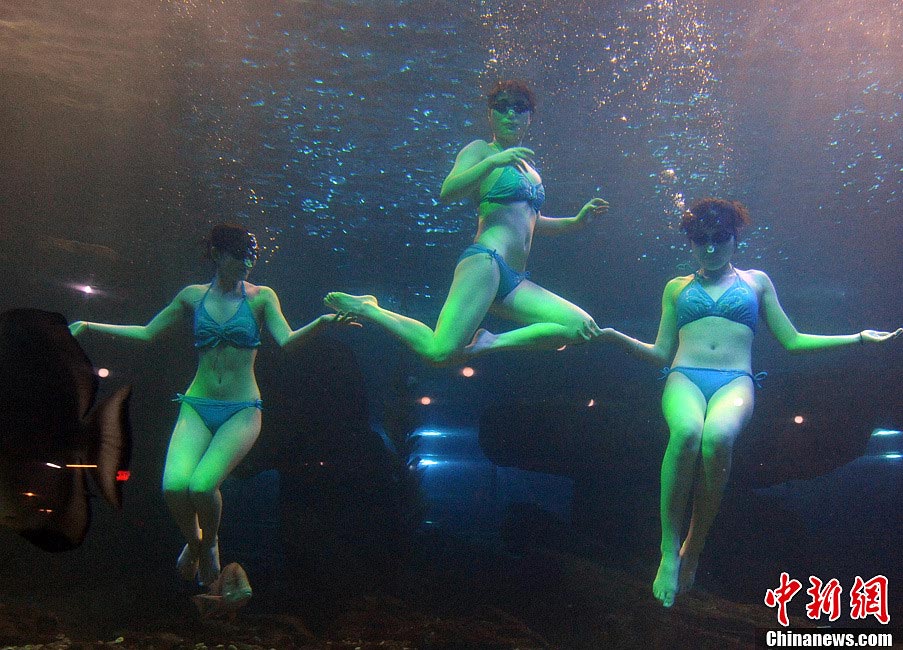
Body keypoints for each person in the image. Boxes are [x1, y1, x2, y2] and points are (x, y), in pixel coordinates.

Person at [600, 198, 902, 608]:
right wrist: (613, 336)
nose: (709, 249)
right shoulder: (675, 287)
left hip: (735, 381)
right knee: (688, 432)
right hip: (684, 376)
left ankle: (693, 548)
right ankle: (668, 552)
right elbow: (659, 352)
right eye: (700, 241)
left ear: (735, 238)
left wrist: (857, 338)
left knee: (717, 438)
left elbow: (792, 341)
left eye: (719, 239)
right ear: (691, 242)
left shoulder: (757, 281)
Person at [70, 224, 355, 586]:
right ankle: (199, 542)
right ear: (219, 255)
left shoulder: (262, 297)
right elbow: (147, 333)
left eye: (252, 256)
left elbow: (287, 342)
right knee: (174, 487)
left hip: (242, 409)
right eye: (241, 256)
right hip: (196, 405)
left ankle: (208, 547)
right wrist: (89, 325)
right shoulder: (192, 297)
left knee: (202, 487)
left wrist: (321, 323)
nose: (248, 263)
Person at [324, 79, 610, 364]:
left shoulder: (531, 169)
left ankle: (488, 343)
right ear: (490, 115)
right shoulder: (480, 150)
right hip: (486, 261)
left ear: (530, 117)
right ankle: (370, 309)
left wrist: (575, 221)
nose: (510, 114)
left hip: (514, 281)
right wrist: (492, 163)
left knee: (580, 328)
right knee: (440, 351)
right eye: (502, 107)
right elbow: (447, 191)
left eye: (519, 108)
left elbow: (532, 222)